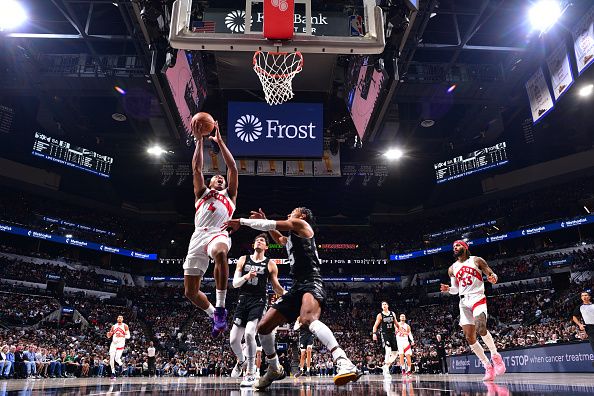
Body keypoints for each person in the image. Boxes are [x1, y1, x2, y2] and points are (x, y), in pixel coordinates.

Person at [225, 207, 360, 389]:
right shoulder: (291, 238)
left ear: (302, 216)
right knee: (263, 328)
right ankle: (274, 368)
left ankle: (344, 361)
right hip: (297, 286)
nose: (289, 214)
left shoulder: (301, 224)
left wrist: (240, 221)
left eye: (293, 212)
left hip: (311, 282)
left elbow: (273, 224)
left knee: (307, 320)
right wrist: (266, 226)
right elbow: (279, 238)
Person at [183, 116, 238, 338]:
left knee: (221, 252)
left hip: (219, 234)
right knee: (190, 292)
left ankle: (222, 306)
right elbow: (196, 168)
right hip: (198, 237)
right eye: (215, 177)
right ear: (210, 181)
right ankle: (214, 315)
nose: (219, 178)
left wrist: (219, 142)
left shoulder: (230, 196)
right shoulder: (202, 193)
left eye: (221, 178)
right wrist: (199, 140)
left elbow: (232, 168)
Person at [440, 240, 506, 381]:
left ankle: (495, 356)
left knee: (481, 328)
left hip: (477, 297)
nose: (455, 248)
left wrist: (493, 278)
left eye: (457, 245)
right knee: (469, 337)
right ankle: (487, 366)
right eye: (453, 247)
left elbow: (491, 274)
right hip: (463, 301)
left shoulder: (476, 260)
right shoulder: (452, 268)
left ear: (465, 247)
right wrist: (448, 289)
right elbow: (455, 290)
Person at [229, 233, 285, 387]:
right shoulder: (243, 259)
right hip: (243, 300)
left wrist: (287, 294)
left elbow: (275, 287)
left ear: (266, 247)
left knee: (249, 333)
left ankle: (251, 372)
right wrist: (247, 276)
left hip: (259, 301)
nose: (259, 241)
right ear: (253, 245)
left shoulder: (270, 264)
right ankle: (242, 361)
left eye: (262, 240)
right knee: (233, 340)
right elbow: (235, 284)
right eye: (256, 240)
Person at [372, 301, 399, 378]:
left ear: (388, 305)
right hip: (385, 334)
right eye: (382, 305)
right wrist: (374, 333)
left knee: (395, 352)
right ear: (381, 307)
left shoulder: (392, 313)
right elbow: (375, 326)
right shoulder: (380, 315)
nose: (384, 305)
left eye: (385, 304)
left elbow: (396, 323)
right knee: (388, 349)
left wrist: (400, 329)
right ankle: (386, 368)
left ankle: (386, 365)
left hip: (392, 333)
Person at [572, 290, 594, 360]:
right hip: (589, 327)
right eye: (582, 296)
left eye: (585, 295)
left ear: (589, 297)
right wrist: (579, 324)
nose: (584, 297)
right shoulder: (580, 307)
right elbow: (574, 317)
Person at [107, 315, 130, 380]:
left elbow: (128, 336)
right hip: (113, 344)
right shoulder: (114, 326)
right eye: (118, 317)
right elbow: (109, 336)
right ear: (117, 319)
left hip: (121, 344)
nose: (119, 318)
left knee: (117, 358)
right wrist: (108, 334)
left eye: (121, 317)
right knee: (111, 358)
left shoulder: (125, 326)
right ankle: (113, 373)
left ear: (122, 319)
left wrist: (122, 335)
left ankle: (122, 365)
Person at [396, 314, 415, 378]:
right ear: (399, 318)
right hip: (399, 343)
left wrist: (412, 341)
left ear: (405, 318)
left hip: (406, 342)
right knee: (401, 356)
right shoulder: (397, 324)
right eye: (401, 316)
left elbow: (410, 334)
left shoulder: (407, 326)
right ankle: (403, 370)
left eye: (404, 316)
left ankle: (409, 370)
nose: (403, 317)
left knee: (408, 357)